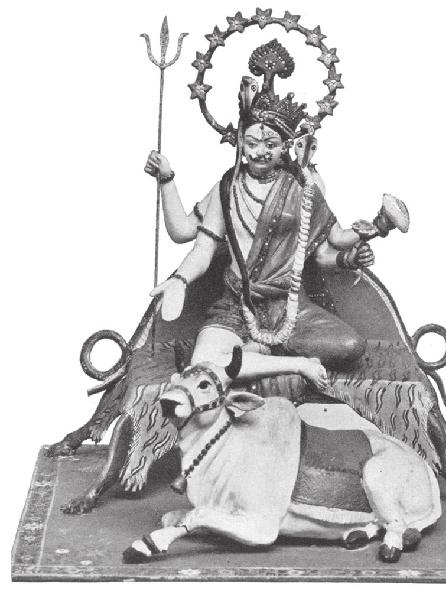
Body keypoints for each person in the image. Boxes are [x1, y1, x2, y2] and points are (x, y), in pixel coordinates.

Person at [143, 41, 404, 392]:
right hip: (237, 306)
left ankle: (253, 355)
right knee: (203, 361)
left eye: (271, 145)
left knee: (349, 346)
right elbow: (196, 245)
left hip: (289, 308)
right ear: (240, 143)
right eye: (252, 143)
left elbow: (322, 254)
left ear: (285, 148)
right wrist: (179, 276)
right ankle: (291, 362)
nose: (260, 152)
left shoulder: (301, 190)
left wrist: (350, 258)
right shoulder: (228, 187)